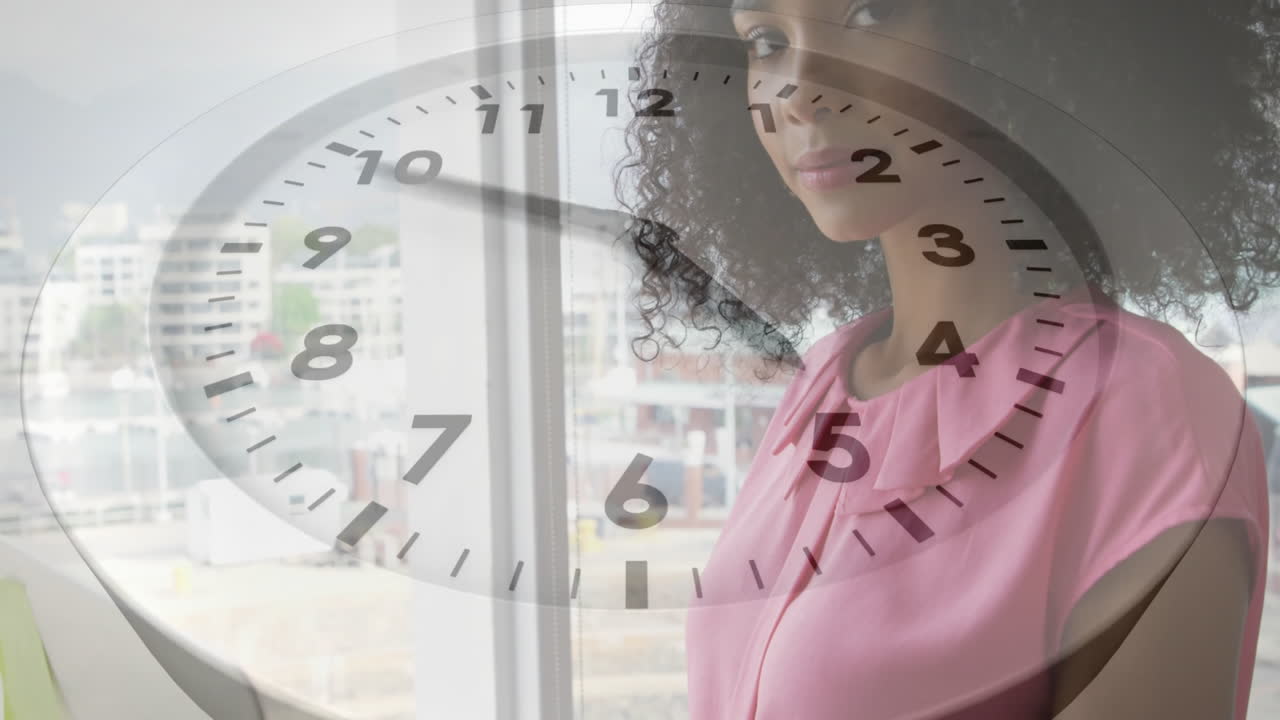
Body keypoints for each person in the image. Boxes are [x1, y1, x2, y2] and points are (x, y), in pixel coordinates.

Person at [616, 1, 1280, 718]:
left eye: (868, 15)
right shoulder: (822, 388)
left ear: (1014, 38)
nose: (797, 91)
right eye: (768, 41)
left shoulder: (1145, 411)